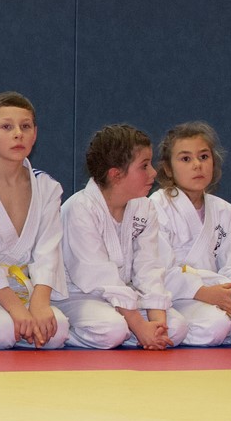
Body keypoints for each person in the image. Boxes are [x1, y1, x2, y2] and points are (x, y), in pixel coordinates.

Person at [60, 124, 188, 350]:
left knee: (176, 328)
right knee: (112, 331)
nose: (153, 173)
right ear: (116, 174)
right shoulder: (80, 209)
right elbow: (98, 276)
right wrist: (139, 326)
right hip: (78, 295)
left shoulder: (144, 208)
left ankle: (139, 333)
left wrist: (157, 323)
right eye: (144, 166)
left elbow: (149, 268)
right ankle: (61, 334)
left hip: (124, 295)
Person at [0, 92, 70, 349]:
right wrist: (17, 310)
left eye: (26, 126)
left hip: (27, 287)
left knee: (57, 330)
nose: (18, 134)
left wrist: (39, 304)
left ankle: (27, 327)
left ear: (35, 134)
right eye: (7, 127)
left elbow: (48, 251)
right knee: (2, 331)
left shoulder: (47, 187)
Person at [150, 121, 231, 346]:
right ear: (168, 168)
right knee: (215, 325)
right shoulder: (157, 207)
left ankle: (230, 326)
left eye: (204, 157)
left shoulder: (221, 209)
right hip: (179, 296)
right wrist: (204, 292)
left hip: (220, 292)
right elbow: (156, 271)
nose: (197, 165)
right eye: (185, 159)